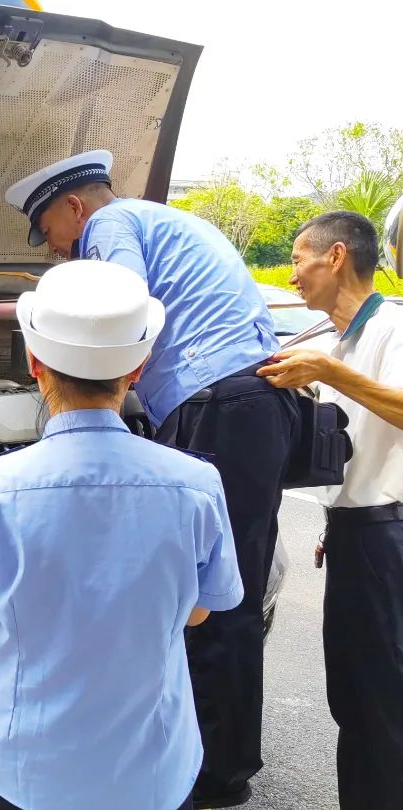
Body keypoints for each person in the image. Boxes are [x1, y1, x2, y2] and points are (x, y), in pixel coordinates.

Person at [4, 150, 299, 808]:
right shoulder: (163, 220)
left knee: (208, 596)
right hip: (249, 403)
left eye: (48, 229)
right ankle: (220, 763)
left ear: (74, 206)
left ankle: (212, 775)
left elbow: (116, 310)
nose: (53, 248)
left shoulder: (111, 229)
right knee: (230, 591)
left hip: (219, 403)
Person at [0, 260, 243, 810]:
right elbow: (199, 611)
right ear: (139, 368)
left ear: (33, 362)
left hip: (15, 769)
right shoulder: (198, 485)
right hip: (153, 771)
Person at [257, 210, 403, 809]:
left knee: (382, 697)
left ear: (337, 256)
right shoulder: (327, 341)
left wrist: (330, 373)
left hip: (387, 535)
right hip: (350, 533)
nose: (293, 275)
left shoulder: (392, 326)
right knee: (352, 692)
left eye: (298, 260)